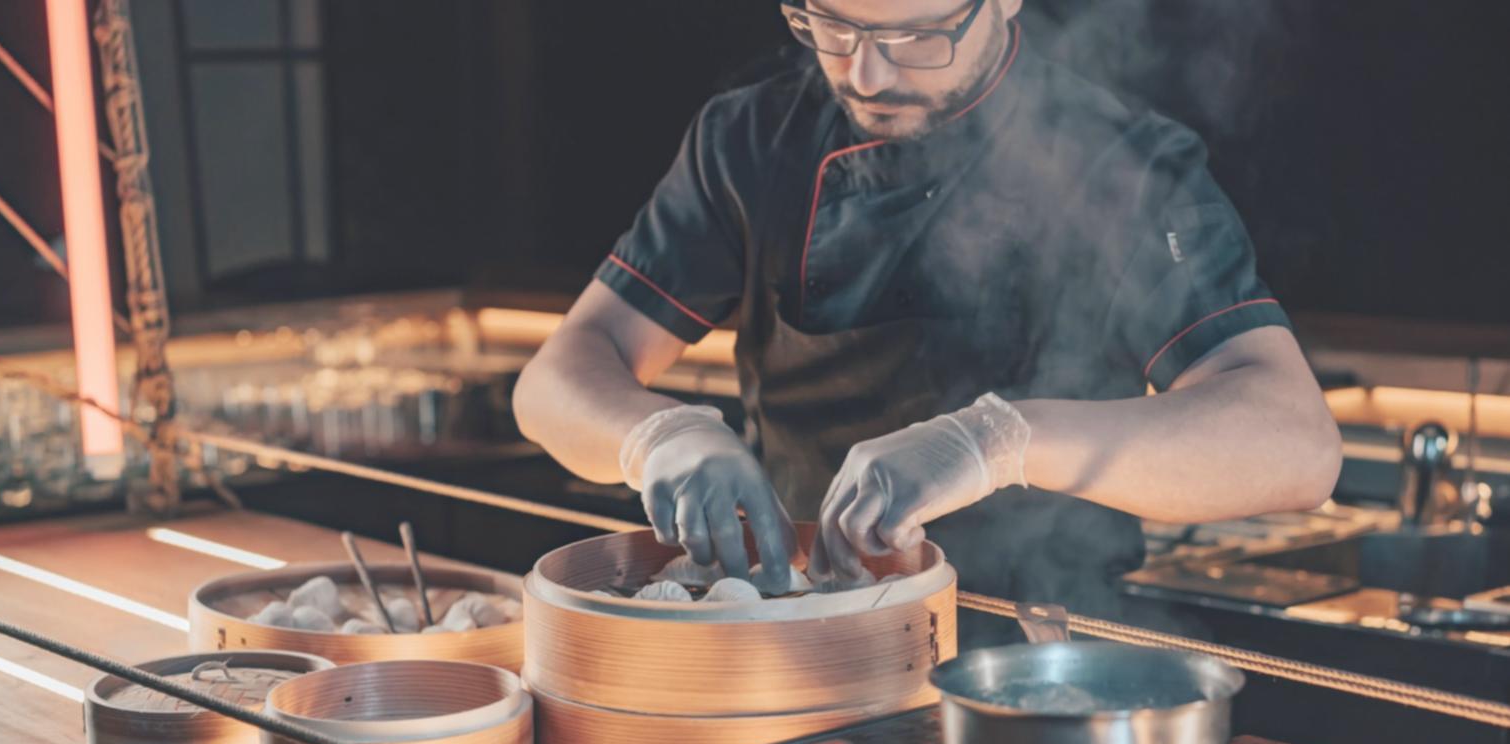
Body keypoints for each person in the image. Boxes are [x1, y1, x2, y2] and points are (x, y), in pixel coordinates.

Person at [513, 0, 1341, 626]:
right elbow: (557, 376)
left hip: (1033, 653)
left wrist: (996, 441)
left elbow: (1295, 444)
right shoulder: (749, 139)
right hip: (789, 627)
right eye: (830, 27)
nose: (866, 74)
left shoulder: (1124, 163)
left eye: (916, 36)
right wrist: (659, 437)